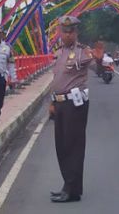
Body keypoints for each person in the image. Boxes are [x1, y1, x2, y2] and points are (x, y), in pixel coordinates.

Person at [49, 15, 102, 203]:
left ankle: (72, 190)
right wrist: (52, 102)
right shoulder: (59, 52)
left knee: (73, 147)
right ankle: (68, 186)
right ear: (60, 33)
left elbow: (99, 70)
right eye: (64, 31)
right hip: (60, 103)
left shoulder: (83, 52)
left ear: (76, 32)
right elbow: (56, 79)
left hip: (75, 104)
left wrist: (101, 60)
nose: (68, 34)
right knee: (61, 147)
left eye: (71, 31)